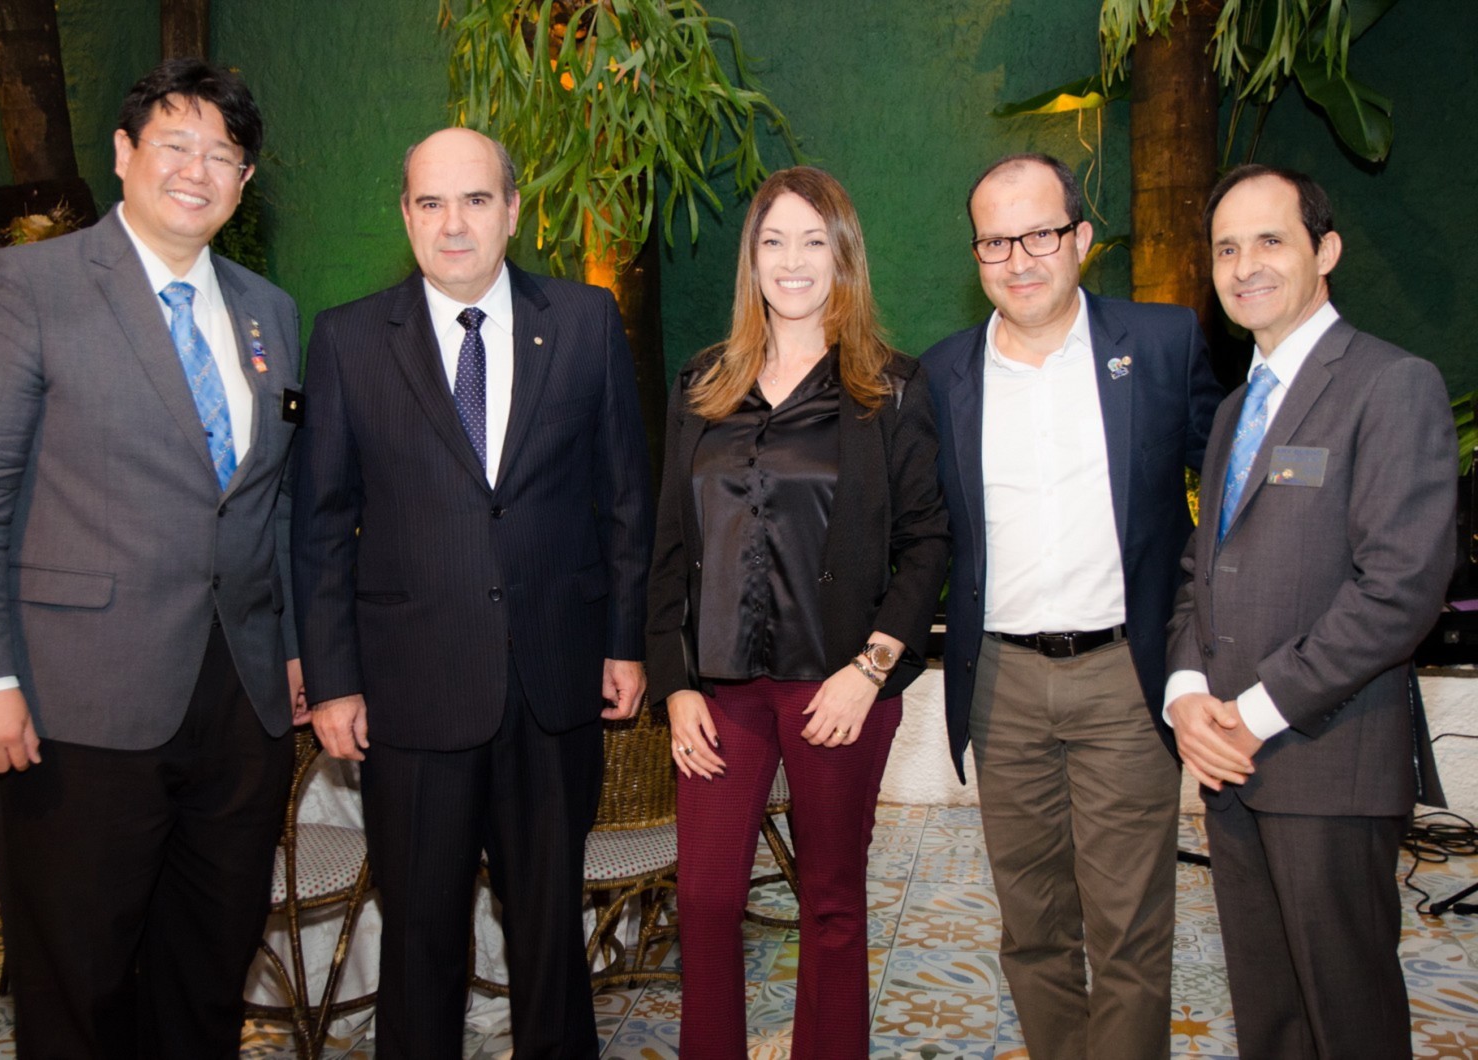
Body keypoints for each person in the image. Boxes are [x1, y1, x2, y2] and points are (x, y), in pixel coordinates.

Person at [0, 59, 304, 1058]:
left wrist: (294, 648)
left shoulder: (268, 310)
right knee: (78, 977)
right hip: (74, 702)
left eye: (224, 155)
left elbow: (270, 500)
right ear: (125, 153)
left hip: (241, 704)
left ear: (244, 182)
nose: (198, 170)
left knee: (208, 967)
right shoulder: (28, 285)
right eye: (175, 143)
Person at [290, 126, 653, 1058]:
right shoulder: (347, 340)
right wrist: (332, 681)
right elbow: (321, 526)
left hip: (553, 683)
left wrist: (625, 641)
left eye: (476, 200)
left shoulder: (585, 322)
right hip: (409, 695)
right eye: (431, 202)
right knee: (419, 937)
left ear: (513, 211)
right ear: (405, 215)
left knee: (550, 934)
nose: (453, 224)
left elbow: (625, 496)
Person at [919, 153, 1222, 1059]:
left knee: (1128, 930)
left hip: (1125, 679)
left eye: (1040, 235)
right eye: (995, 241)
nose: (1019, 259)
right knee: (1033, 925)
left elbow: (1235, 488)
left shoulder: (1161, 344)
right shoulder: (943, 374)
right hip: (1002, 686)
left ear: (1082, 238)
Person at [646, 165, 949, 1058]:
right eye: (774, 241)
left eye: (814, 241)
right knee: (704, 899)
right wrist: (675, 685)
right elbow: (668, 544)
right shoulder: (702, 383)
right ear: (752, 259)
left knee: (830, 903)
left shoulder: (891, 388)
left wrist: (870, 669)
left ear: (843, 255)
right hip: (722, 693)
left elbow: (928, 541)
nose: (792, 260)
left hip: (839, 690)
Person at [1165, 164, 1454, 1060]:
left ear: (1325, 250)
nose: (1244, 265)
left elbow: (1399, 588)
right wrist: (1185, 693)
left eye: (1270, 240)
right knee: (1271, 1020)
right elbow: (1202, 569)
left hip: (1329, 764)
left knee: (1348, 1021)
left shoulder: (1391, 383)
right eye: (1226, 248)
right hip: (1231, 767)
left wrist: (1252, 712)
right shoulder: (1235, 410)